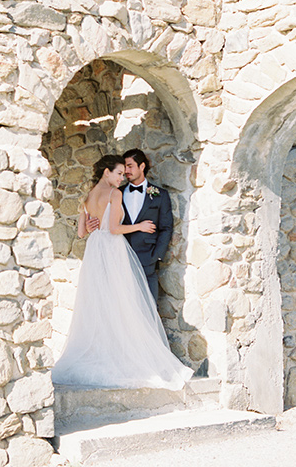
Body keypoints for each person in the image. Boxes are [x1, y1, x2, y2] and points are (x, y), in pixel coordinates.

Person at [51, 155, 192, 390]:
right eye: (118, 173)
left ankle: (104, 349)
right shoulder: (115, 194)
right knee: (122, 300)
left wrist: (94, 225)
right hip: (113, 249)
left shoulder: (87, 196)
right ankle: (124, 353)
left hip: (95, 251)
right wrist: (139, 226)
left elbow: (81, 234)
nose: (121, 177)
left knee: (101, 302)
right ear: (106, 172)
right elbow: (115, 229)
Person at [87, 149, 173, 301]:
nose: (126, 171)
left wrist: (157, 256)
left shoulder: (160, 195)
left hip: (148, 259)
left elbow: (166, 228)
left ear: (142, 166)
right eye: (124, 167)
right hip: (119, 258)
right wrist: (90, 227)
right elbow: (106, 222)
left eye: (130, 166)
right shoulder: (115, 192)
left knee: (150, 306)